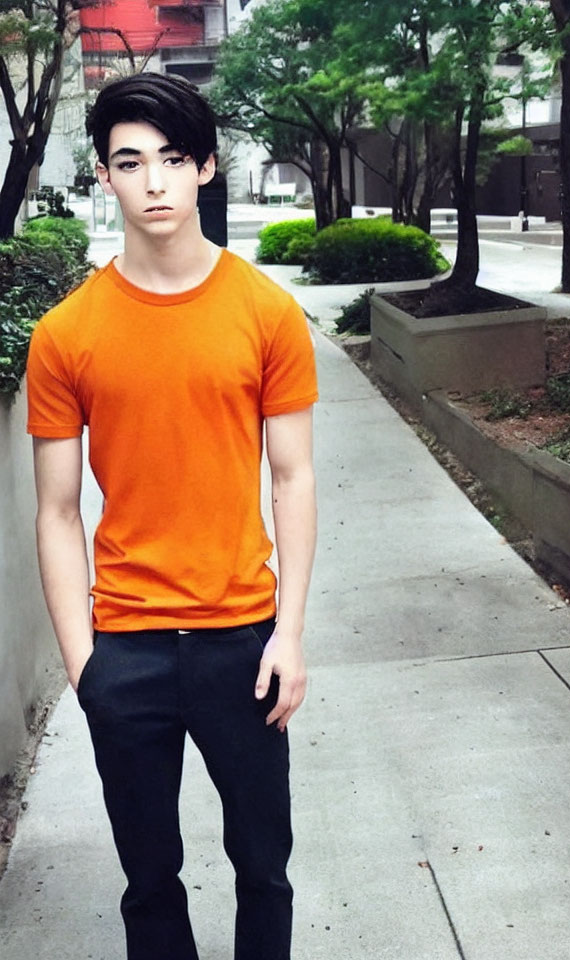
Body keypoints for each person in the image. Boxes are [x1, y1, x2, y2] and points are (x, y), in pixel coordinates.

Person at [26, 72, 318, 960]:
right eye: (130, 160)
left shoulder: (265, 311)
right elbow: (58, 510)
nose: (153, 180)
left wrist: (290, 634)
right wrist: (86, 664)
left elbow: (294, 478)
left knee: (263, 866)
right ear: (105, 177)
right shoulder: (65, 335)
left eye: (173, 158)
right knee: (148, 881)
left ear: (206, 169)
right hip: (129, 651)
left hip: (243, 640)